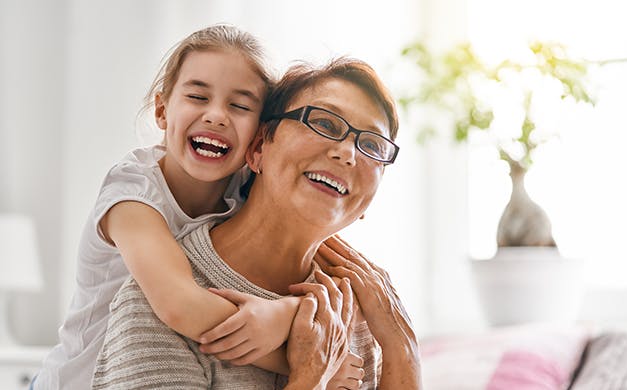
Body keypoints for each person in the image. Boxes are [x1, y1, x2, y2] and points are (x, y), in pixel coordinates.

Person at [92, 57, 422, 389]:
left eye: (372, 146)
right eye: (324, 123)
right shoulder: (154, 304)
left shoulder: (361, 310)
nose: (348, 153)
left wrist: (403, 348)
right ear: (259, 147)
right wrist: (310, 376)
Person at [34, 24, 304, 390]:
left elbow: (319, 263)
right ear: (162, 111)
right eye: (197, 97)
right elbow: (180, 307)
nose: (216, 116)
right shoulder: (131, 194)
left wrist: (286, 311)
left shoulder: (249, 195)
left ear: (259, 134)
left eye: (239, 106)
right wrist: (303, 351)